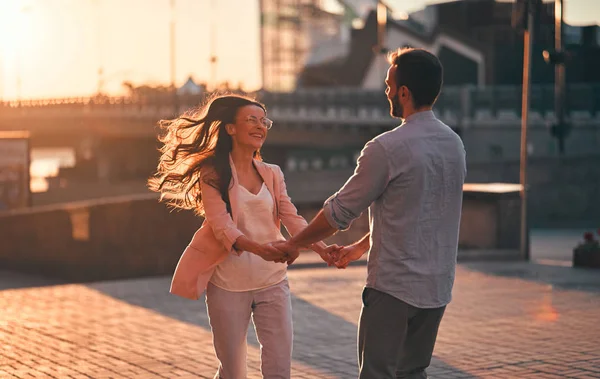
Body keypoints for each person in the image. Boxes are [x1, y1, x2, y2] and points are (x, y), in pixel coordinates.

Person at [275, 48, 467, 379]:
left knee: (377, 374)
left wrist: (295, 243)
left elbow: (338, 212)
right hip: (437, 285)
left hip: (394, 287)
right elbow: (419, 210)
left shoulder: (386, 148)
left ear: (403, 93)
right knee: (413, 372)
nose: (386, 91)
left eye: (389, 84)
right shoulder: (454, 144)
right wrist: (357, 249)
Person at [149, 93, 337, 379]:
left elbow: (291, 217)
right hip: (228, 285)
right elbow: (222, 225)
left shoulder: (272, 173)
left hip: (272, 281)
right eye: (252, 120)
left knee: (279, 367)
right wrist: (261, 249)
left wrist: (322, 249)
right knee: (233, 371)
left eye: (264, 121)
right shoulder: (212, 172)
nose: (260, 126)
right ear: (230, 128)